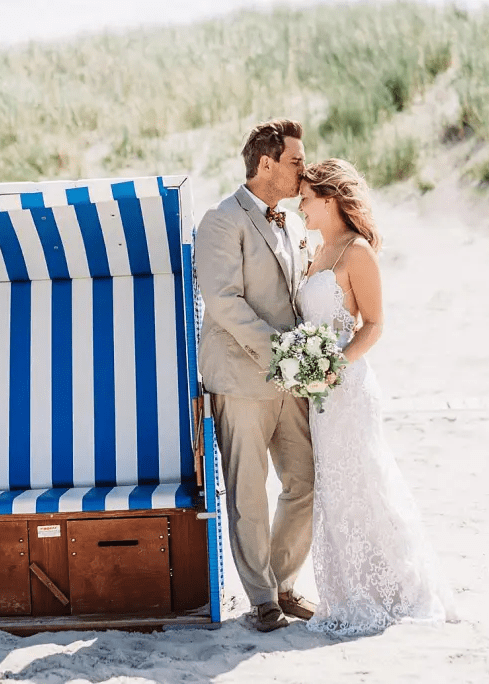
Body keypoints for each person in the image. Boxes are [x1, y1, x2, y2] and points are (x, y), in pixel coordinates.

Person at [296, 158, 458, 636]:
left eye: (306, 198)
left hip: (348, 391)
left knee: (366, 484)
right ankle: (347, 591)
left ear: (328, 200)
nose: (300, 205)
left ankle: (397, 590)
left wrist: (333, 367)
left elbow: (374, 325)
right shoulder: (317, 250)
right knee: (336, 493)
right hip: (319, 400)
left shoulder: (357, 252)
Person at [195, 119, 317, 632]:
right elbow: (223, 302)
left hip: (291, 379)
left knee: (305, 480)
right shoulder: (221, 220)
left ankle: (283, 582)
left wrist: (305, 358)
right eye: (295, 161)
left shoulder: (287, 222)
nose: (303, 170)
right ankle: (262, 597)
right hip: (241, 377)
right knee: (248, 489)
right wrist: (282, 351)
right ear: (265, 163)